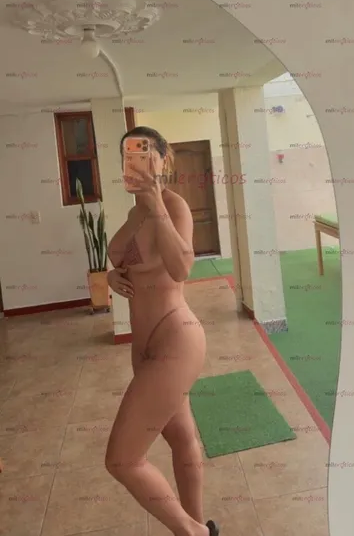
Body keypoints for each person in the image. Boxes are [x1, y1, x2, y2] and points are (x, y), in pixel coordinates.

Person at [106, 126, 219, 536]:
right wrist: (112, 275)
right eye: (127, 156)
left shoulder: (173, 206)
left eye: (143, 154)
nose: (133, 163)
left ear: (163, 159)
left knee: (122, 460)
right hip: (144, 345)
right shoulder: (133, 213)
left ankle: (194, 533)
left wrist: (156, 203)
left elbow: (182, 267)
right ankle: (199, 522)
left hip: (176, 339)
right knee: (181, 437)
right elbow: (129, 261)